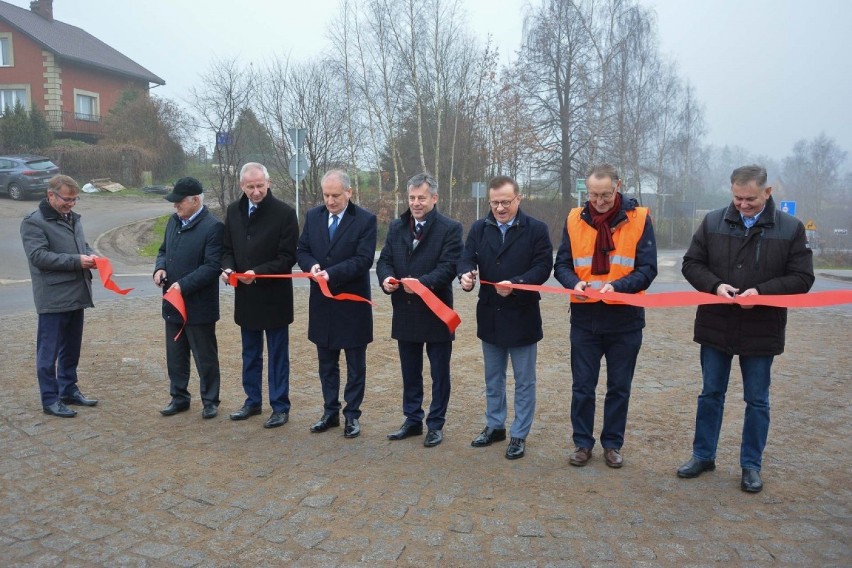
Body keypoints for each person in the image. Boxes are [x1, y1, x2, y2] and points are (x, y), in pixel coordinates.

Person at [677, 164, 814, 493]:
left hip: (762, 327)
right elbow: (691, 264)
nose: (742, 204)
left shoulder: (791, 228)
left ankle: (751, 465)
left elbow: (803, 278)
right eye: (737, 198)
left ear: (767, 192)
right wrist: (715, 286)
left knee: (757, 400)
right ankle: (703, 455)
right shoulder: (712, 221)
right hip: (715, 324)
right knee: (711, 394)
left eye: (750, 198)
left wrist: (763, 292)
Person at [553, 164, 658, 468]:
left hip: (625, 320)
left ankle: (612, 444)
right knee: (583, 386)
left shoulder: (639, 219)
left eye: (605, 195)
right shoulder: (574, 219)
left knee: (619, 387)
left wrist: (617, 287)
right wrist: (575, 283)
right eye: (593, 195)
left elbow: (647, 268)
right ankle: (582, 444)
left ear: (618, 186)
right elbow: (561, 265)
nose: (599, 201)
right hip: (585, 319)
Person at [458, 175, 553, 460]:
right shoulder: (479, 228)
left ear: (518, 199)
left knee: (524, 381)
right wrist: (465, 275)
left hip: (522, 315)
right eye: (495, 202)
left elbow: (543, 267)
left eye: (506, 202)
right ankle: (494, 425)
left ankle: (519, 433)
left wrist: (517, 283)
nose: (500, 208)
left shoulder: (536, 229)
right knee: (493, 378)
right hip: (490, 314)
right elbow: (465, 258)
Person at [377, 173, 463, 448]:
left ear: (434, 199)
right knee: (410, 371)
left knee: (439, 372)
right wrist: (386, 278)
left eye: (421, 198)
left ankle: (435, 424)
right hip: (405, 310)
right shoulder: (396, 226)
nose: (416, 203)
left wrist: (422, 284)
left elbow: (449, 266)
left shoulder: (450, 228)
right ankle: (412, 419)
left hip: (436, 312)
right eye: (412, 198)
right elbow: (385, 260)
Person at [297, 169, 377, 439]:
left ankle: (352, 415)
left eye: (335, 195)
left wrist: (332, 273)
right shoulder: (313, 216)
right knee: (326, 363)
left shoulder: (365, 220)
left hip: (352, 305)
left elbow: (364, 259)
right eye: (326, 195)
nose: (330, 201)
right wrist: (313, 265)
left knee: (356, 366)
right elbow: (302, 250)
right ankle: (330, 412)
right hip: (322, 306)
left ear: (349, 192)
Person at [221, 163, 299, 429]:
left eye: (259, 186)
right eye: (250, 187)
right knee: (250, 353)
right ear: (242, 186)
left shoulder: (285, 213)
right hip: (246, 295)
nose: (255, 192)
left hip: (274, 296)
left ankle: (280, 406)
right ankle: (252, 400)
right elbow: (226, 247)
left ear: (268, 183)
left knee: (277, 354)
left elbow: (288, 257)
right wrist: (228, 268)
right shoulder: (233, 211)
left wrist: (259, 272)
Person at [20, 174, 99, 417]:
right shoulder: (34, 222)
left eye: (75, 199)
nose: (72, 204)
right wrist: (78, 261)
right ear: (51, 195)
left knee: (71, 348)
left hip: (77, 293)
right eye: (67, 199)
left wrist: (92, 254)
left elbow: (80, 244)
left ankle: (68, 389)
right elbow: (39, 257)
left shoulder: (72, 218)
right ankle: (50, 399)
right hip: (53, 297)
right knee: (48, 352)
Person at [154, 177, 224, 419]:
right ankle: (179, 397)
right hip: (173, 303)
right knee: (175, 354)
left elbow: (212, 266)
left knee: (204, 356)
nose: (175, 207)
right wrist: (159, 269)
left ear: (195, 200)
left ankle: (210, 400)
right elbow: (163, 251)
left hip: (198, 306)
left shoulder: (213, 227)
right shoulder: (173, 222)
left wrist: (182, 286)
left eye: (179, 202)